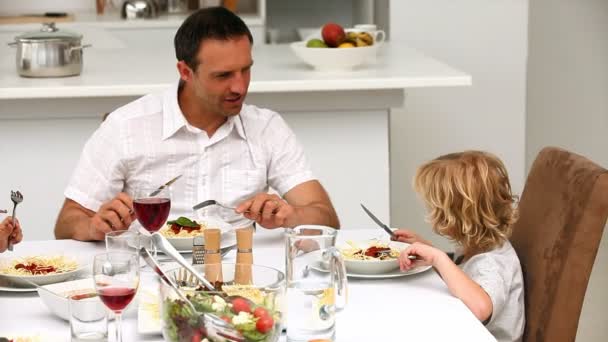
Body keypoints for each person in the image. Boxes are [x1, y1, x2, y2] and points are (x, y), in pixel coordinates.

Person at [54, 7, 339, 241]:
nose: (240, 86)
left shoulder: (267, 128)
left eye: (246, 70)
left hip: (239, 277)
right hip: (148, 272)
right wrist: (93, 227)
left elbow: (327, 218)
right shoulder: (126, 126)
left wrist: (291, 216)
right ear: (185, 71)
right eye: (223, 75)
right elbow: (67, 222)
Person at [393, 151, 524, 342]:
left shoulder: (493, 264)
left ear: (456, 216)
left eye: (435, 209)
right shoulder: (477, 245)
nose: (431, 213)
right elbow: (462, 281)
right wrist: (428, 249)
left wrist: (439, 258)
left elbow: (480, 309)